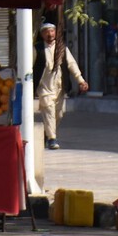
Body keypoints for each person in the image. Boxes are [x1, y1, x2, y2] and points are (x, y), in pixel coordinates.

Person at [35, 22, 88, 150]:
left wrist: (80, 80)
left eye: (52, 31)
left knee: (58, 114)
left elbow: (72, 64)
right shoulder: (37, 49)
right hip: (44, 87)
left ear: (55, 33)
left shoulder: (62, 48)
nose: (49, 34)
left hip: (59, 87)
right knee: (49, 110)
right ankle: (52, 139)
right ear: (42, 34)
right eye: (46, 32)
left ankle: (47, 134)